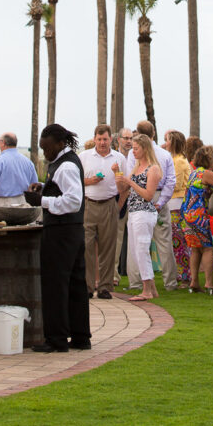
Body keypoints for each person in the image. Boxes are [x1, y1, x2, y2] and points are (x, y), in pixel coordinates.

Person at [25, 123, 90, 352]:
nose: (45, 153)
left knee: (55, 285)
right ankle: (81, 337)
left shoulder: (66, 167)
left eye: (47, 148)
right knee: (75, 284)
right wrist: (44, 187)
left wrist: (40, 201)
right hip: (72, 232)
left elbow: (73, 201)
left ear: (60, 144)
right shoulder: (64, 162)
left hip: (61, 232)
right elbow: (63, 191)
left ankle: (57, 339)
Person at [124, 121, 177, 291]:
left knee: (137, 244)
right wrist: (162, 202)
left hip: (145, 197)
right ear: (154, 132)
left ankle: (136, 282)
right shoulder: (164, 154)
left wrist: (157, 202)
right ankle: (170, 283)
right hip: (158, 195)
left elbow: (133, 180)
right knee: (163, 242)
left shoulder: (139, 156)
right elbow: (170, 182)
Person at [80, 124, 125, 299]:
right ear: (94, 139)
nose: (102, 142)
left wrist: (118, 205)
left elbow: (124, 185)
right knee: (87, 247)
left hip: (109, 204)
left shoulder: (119, 158)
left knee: (108, 247)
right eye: (99, 139)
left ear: (111, 139)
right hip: (89, 204)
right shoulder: (84, 157)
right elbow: (76, 180)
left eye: (105, 139)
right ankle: (88, 286)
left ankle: (105, 286)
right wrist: (90, 181)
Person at [117, 132, 161, 301]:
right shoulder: (136, 167)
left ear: (145, 149)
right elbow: (124, 190)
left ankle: (146, 290)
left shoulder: (153, 168)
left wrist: (131, 183)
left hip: (144, 212)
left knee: (141, 249)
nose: (133, 151)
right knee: (136, 251)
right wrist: (118, 175)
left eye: (136, 148)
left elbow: (148, 195)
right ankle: (151, 288)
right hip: (134, 211)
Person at [177, 144, 213, 294]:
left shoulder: (194, 173)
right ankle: (209, 283)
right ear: (211, 160)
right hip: (198, 215)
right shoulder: (206, 173)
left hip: (186, 214)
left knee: (195, 249)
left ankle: (194, 282)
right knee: (207, 248)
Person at [164, 131, 191, 286]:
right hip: (173, 202)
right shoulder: (174, 159)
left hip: (177, 203)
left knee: (178, 242)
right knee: (176, 241)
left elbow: (177, 184)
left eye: (167, 140)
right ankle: (181, 273)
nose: (165, 143)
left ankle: (184, 275)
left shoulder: (179, 161)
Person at [0, 133, 38, 206]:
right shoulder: (28, 161)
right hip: (24, 202)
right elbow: (35, 185)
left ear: (3, 143)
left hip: (3, 204)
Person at [113, 127, 134, 285]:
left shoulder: (136, 156)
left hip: (136, 201)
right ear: (119, 140)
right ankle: (114, 276)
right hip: (119, 201)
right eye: (125, 138)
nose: (128, 141)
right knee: (117, 239)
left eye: (130, 138)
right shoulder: (115, 158)